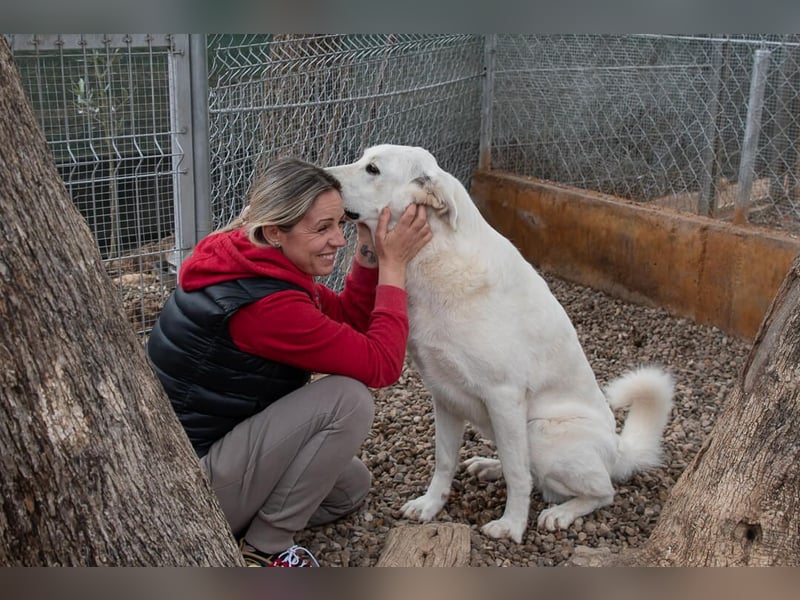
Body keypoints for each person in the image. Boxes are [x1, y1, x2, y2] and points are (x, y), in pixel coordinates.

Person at [146, 157, 431, 567]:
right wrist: (394, 267)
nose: (338, 240)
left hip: (199, 457)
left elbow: (347, 318)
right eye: (322, 229)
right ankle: (265, 550)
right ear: (275, 232)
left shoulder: (247, 259)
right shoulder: (266, 308)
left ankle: (243, 521)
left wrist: (370, 249)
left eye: (341, 224)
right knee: (348, 400)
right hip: (186, 491)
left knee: (349, 488)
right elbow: (383, 365)